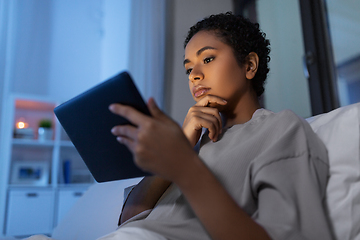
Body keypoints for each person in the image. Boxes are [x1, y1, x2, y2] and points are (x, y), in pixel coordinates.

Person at [25, 12, 333, 240]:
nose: (195, 75)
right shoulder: (197, 144)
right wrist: (183, 147)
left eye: (208, 59)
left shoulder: (280, 130)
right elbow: (129, 218)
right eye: (189, 69)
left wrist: (185, 166)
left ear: (249, 65)